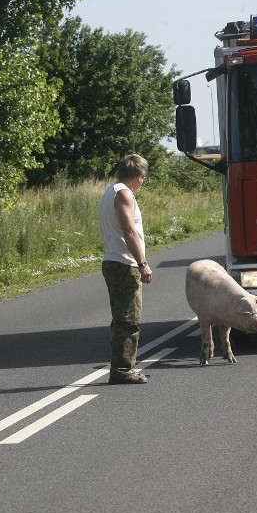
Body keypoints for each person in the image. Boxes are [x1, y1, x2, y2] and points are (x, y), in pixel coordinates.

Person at [99, 154, 153, 384]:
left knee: (121, 318)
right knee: (129, 320)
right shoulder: (124, 193)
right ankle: (122, 370)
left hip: (115, 260)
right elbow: (129, 231)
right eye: (143, 178)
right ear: (139, 177)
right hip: (123, 262)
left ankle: (122, 367)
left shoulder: (111, 191)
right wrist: (142, 263)